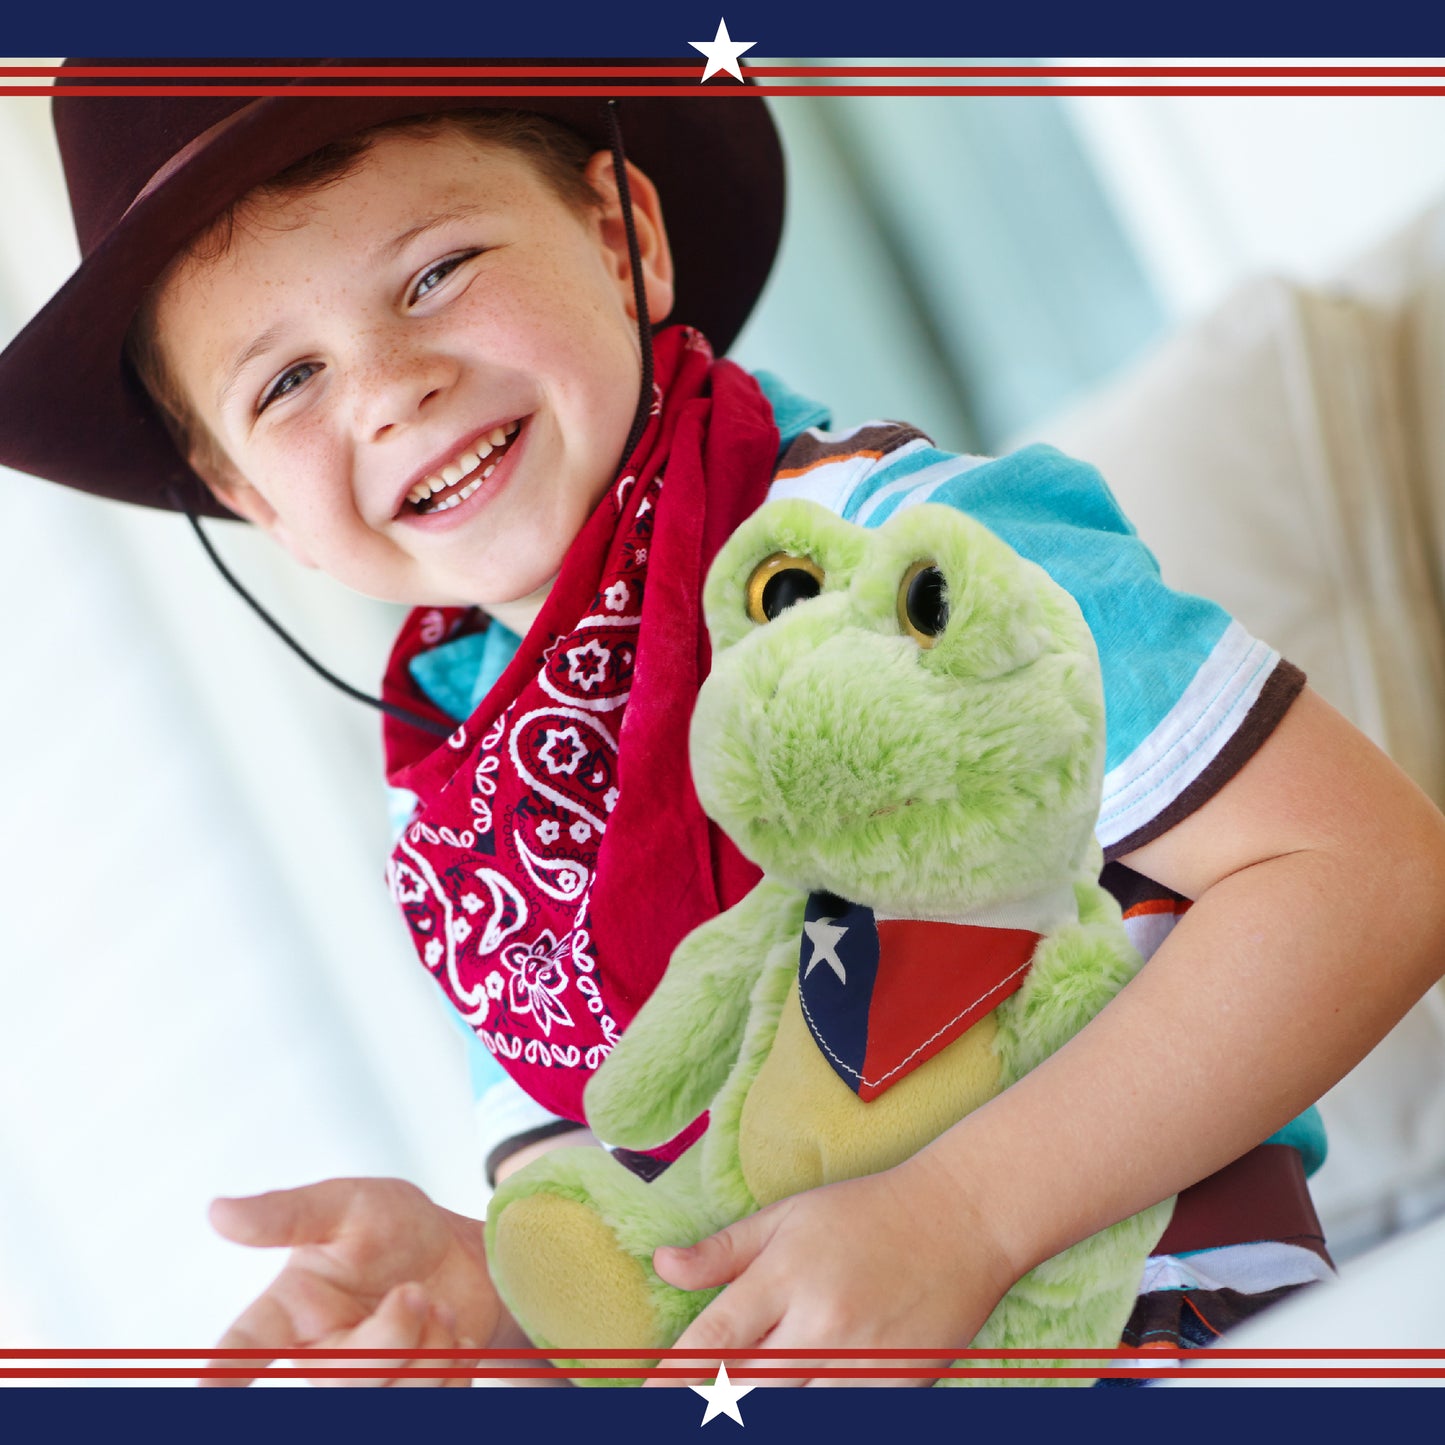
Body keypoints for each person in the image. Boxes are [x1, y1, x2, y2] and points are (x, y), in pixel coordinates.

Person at [2, 57, 1443, 1387]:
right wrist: (496, 1302)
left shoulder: (909, 550)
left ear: (620, 237)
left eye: (436, 272)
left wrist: (961, 1213)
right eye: (287, 381)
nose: (389, 391)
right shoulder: (453, 811)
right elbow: (657, 1267)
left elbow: (1370, 870)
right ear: (247, 497)